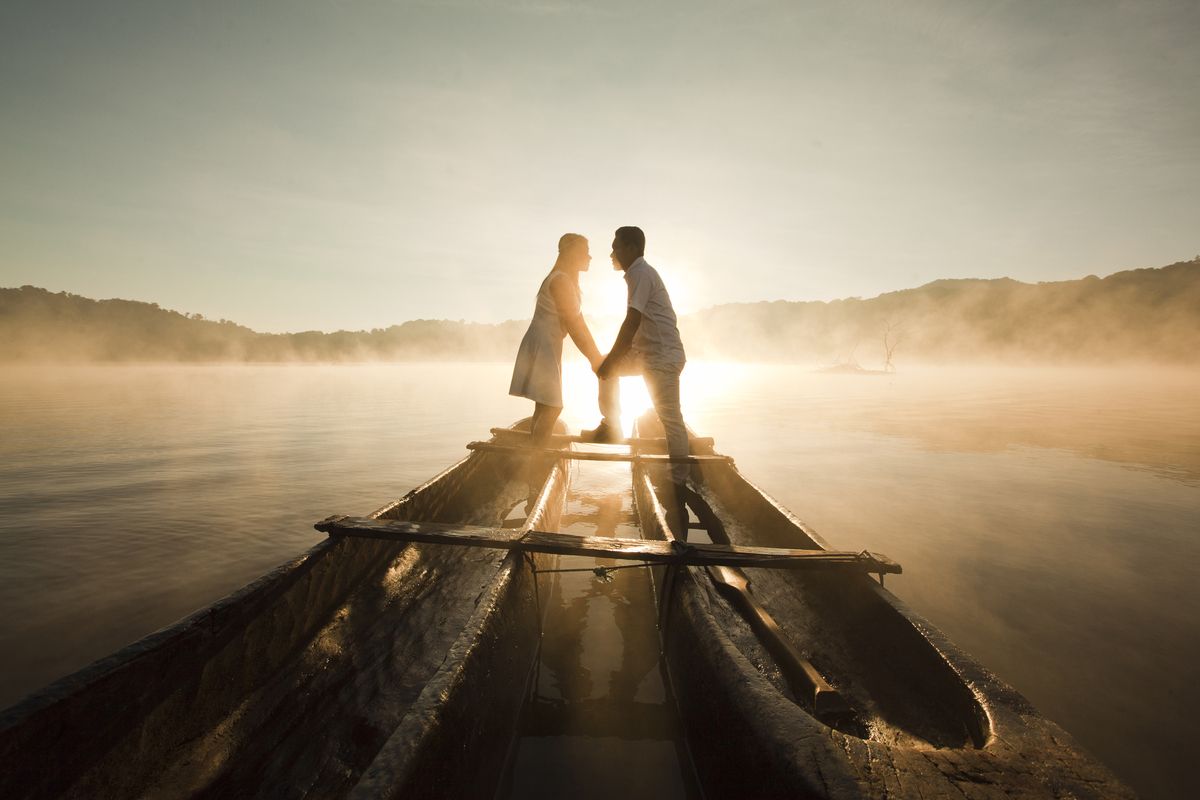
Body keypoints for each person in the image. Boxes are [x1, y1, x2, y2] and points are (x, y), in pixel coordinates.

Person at [591, 226, 692, 533]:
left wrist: (612, 359)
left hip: (662, 356)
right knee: (604, 369)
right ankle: (611, 425)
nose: (612, 254)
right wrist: (609, 363)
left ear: (632, 247)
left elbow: (632, 321)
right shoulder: (636, 274)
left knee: (671, 418)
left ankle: (677, 483)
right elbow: (638, 325)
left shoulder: (641, 273)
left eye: (616, 247)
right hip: (648, 354)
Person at [509, 232, 604, 460]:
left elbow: (574, 323)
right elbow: (574, 323)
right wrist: (595, 358)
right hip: (543, 345)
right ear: (572, 253)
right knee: (552, 406)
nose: (590, 257)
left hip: (545, 344)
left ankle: (533, 454)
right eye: (585, 251)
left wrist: (594, 355)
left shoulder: (564, 279)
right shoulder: (560, 280)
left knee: (544, 405)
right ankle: (536, 460)